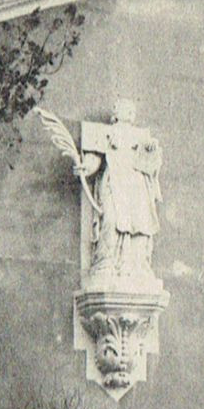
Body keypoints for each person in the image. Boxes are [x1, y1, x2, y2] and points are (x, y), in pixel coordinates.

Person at [76, 99, 162, 281]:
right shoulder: (108, 133)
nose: (130, 112)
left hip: (136, 185)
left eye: (132, 109)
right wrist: (86, 168)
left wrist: (152, 150)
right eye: (125, 108)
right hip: (115, 182)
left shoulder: (141, 137)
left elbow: (151, 160)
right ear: (116, 113)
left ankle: (138, 265)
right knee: (111, 219)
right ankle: (106, 262)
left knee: (140, 224)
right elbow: (96, 158)